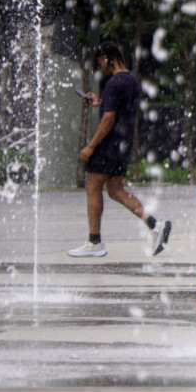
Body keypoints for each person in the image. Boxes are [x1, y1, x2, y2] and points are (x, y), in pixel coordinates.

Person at [67, 43, 171, 257]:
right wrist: (100, 101)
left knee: (94, 185)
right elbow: (117, 109)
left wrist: (91, 145)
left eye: (101, 63)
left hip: (109, 145)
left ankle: (94, 241)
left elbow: (109, 118)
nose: (102, 68)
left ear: (108, 58)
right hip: (124, 145)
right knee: (116, 190)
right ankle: (155, 225)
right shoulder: (131, 80)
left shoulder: (114, 83)